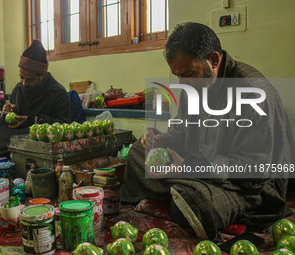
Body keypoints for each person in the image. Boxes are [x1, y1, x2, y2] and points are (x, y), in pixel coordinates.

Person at [119, 22, 292, 241]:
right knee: (137, 152)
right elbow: (183, 130)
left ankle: (180, 196)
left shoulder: (253, 92)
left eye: (189, 73)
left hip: (246, 189)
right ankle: (178, 194)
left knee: (196, 202)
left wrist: (188, 168)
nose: (183, 83)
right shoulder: (191, 85)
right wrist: (165, 139)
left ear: (214, 60)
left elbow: (254, 172)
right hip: (197, 168)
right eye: (177, 75)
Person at [0, 40, 72, 164]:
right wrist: (6, 113)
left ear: (43, 75)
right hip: (15, 137)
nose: (24, 83)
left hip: (41, 141)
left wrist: (31, 120)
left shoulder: (58, 93)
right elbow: (10, 117)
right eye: (21, 77)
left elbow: (65, 125)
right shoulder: (18, 89)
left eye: (30, 80)